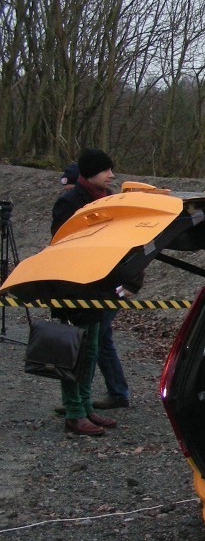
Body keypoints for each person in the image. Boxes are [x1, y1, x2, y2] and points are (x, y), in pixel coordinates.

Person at [50, 148, 123, 436]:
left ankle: (85, 405)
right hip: (73, 287)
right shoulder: (69, 203)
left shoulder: (108, 200)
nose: (111, 175)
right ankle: (74, 412)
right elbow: (61, 243)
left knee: (91, 350)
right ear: (91, 171)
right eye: (106, 170)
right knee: (75, 352)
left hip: (98, 286)